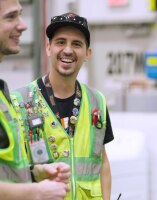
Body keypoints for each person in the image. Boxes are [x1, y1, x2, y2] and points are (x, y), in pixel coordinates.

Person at [10, 12, 114, 200]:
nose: (68, 50)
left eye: (76, 44)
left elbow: (103, 162)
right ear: (48, 47)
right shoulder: (19, 101)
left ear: (87, 53)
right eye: (60, 42)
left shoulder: (96, 101)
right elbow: (10, 170)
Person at [0, 0, 71, 199]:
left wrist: (34, 174)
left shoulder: (3, 94)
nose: (23, 25)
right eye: (11, 17)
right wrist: (36, 192)